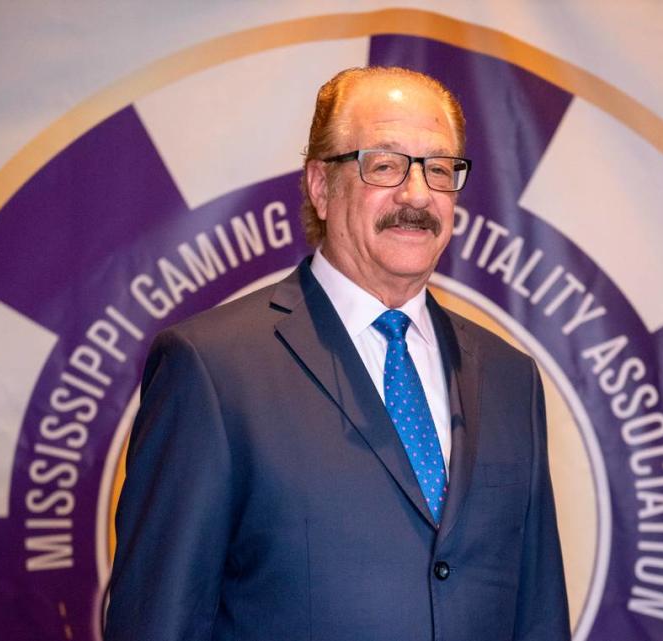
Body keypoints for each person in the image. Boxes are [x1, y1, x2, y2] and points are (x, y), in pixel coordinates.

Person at [105, 66, 570, 641]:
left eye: (441, 169)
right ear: (321, 186)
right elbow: (157, 623)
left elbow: (538, 616)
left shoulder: (510, 378)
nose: (417, 194)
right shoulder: (212, 368)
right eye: (385, 164)